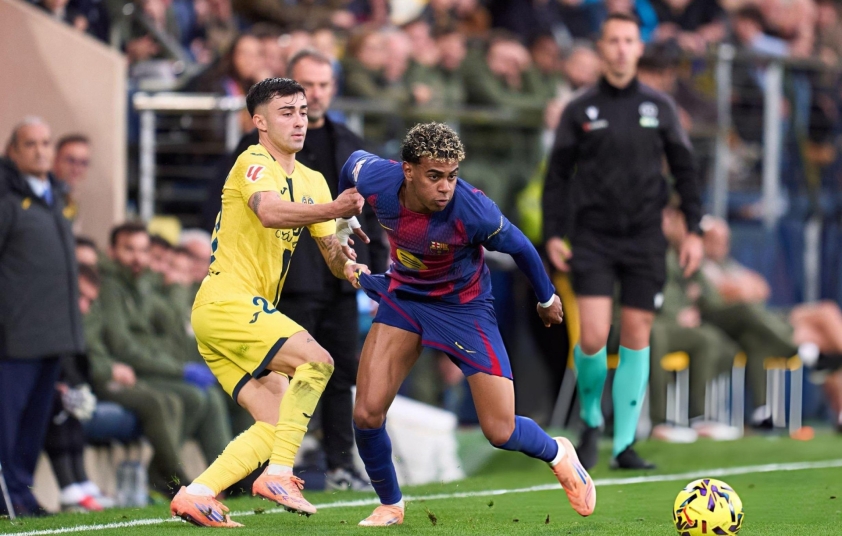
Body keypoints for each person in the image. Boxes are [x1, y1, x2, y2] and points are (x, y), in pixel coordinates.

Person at [340, 123, 595, 527]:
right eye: (434, 176)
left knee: (500, 430)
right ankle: (391, 505)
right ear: (408, 171)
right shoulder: (378, 179)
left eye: (452, 176)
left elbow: (522, 247)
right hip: (405, 297)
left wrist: (546, 299)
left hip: (463, 309)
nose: (445, 187)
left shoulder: (473, 209)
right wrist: (342, 219)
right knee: (367, 414)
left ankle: (558, 452)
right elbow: (351, 164)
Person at [169, 77, 367, 528]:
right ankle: (278, 475)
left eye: (302, 111)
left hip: (235, 314)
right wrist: (335, 209)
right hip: (227, 301)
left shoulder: (314, 181)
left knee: (276, 424)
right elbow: (269, 211)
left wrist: (355, 268)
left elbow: (332, 257)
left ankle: (197, 493)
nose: (299, 121)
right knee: (317, 362)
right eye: (286, 112)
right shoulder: (252, 161)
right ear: (259, 122)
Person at [542, 13, 704, 470]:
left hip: (645, 237)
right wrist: (553, 233)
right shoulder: (580, 109)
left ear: (639, 47)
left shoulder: (660, 107)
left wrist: (694, 229)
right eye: (612, 40)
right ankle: (591, 421)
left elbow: (686, 169)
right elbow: (557, 177)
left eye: (628, 40)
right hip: (592, 236)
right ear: (601, 48)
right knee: (593, 336)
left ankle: (624, 444)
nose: (620, 48)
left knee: (636, 333)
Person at [0, 117, 86, 517]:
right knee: (7, 423)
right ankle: (7, 495)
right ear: (12, 152)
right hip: (14, 337)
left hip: (53, 335)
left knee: (34, 425)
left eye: (46, 143)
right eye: (30, 144)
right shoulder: (6, 198)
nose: (40, 151)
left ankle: (20, 492)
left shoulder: (56, 196)